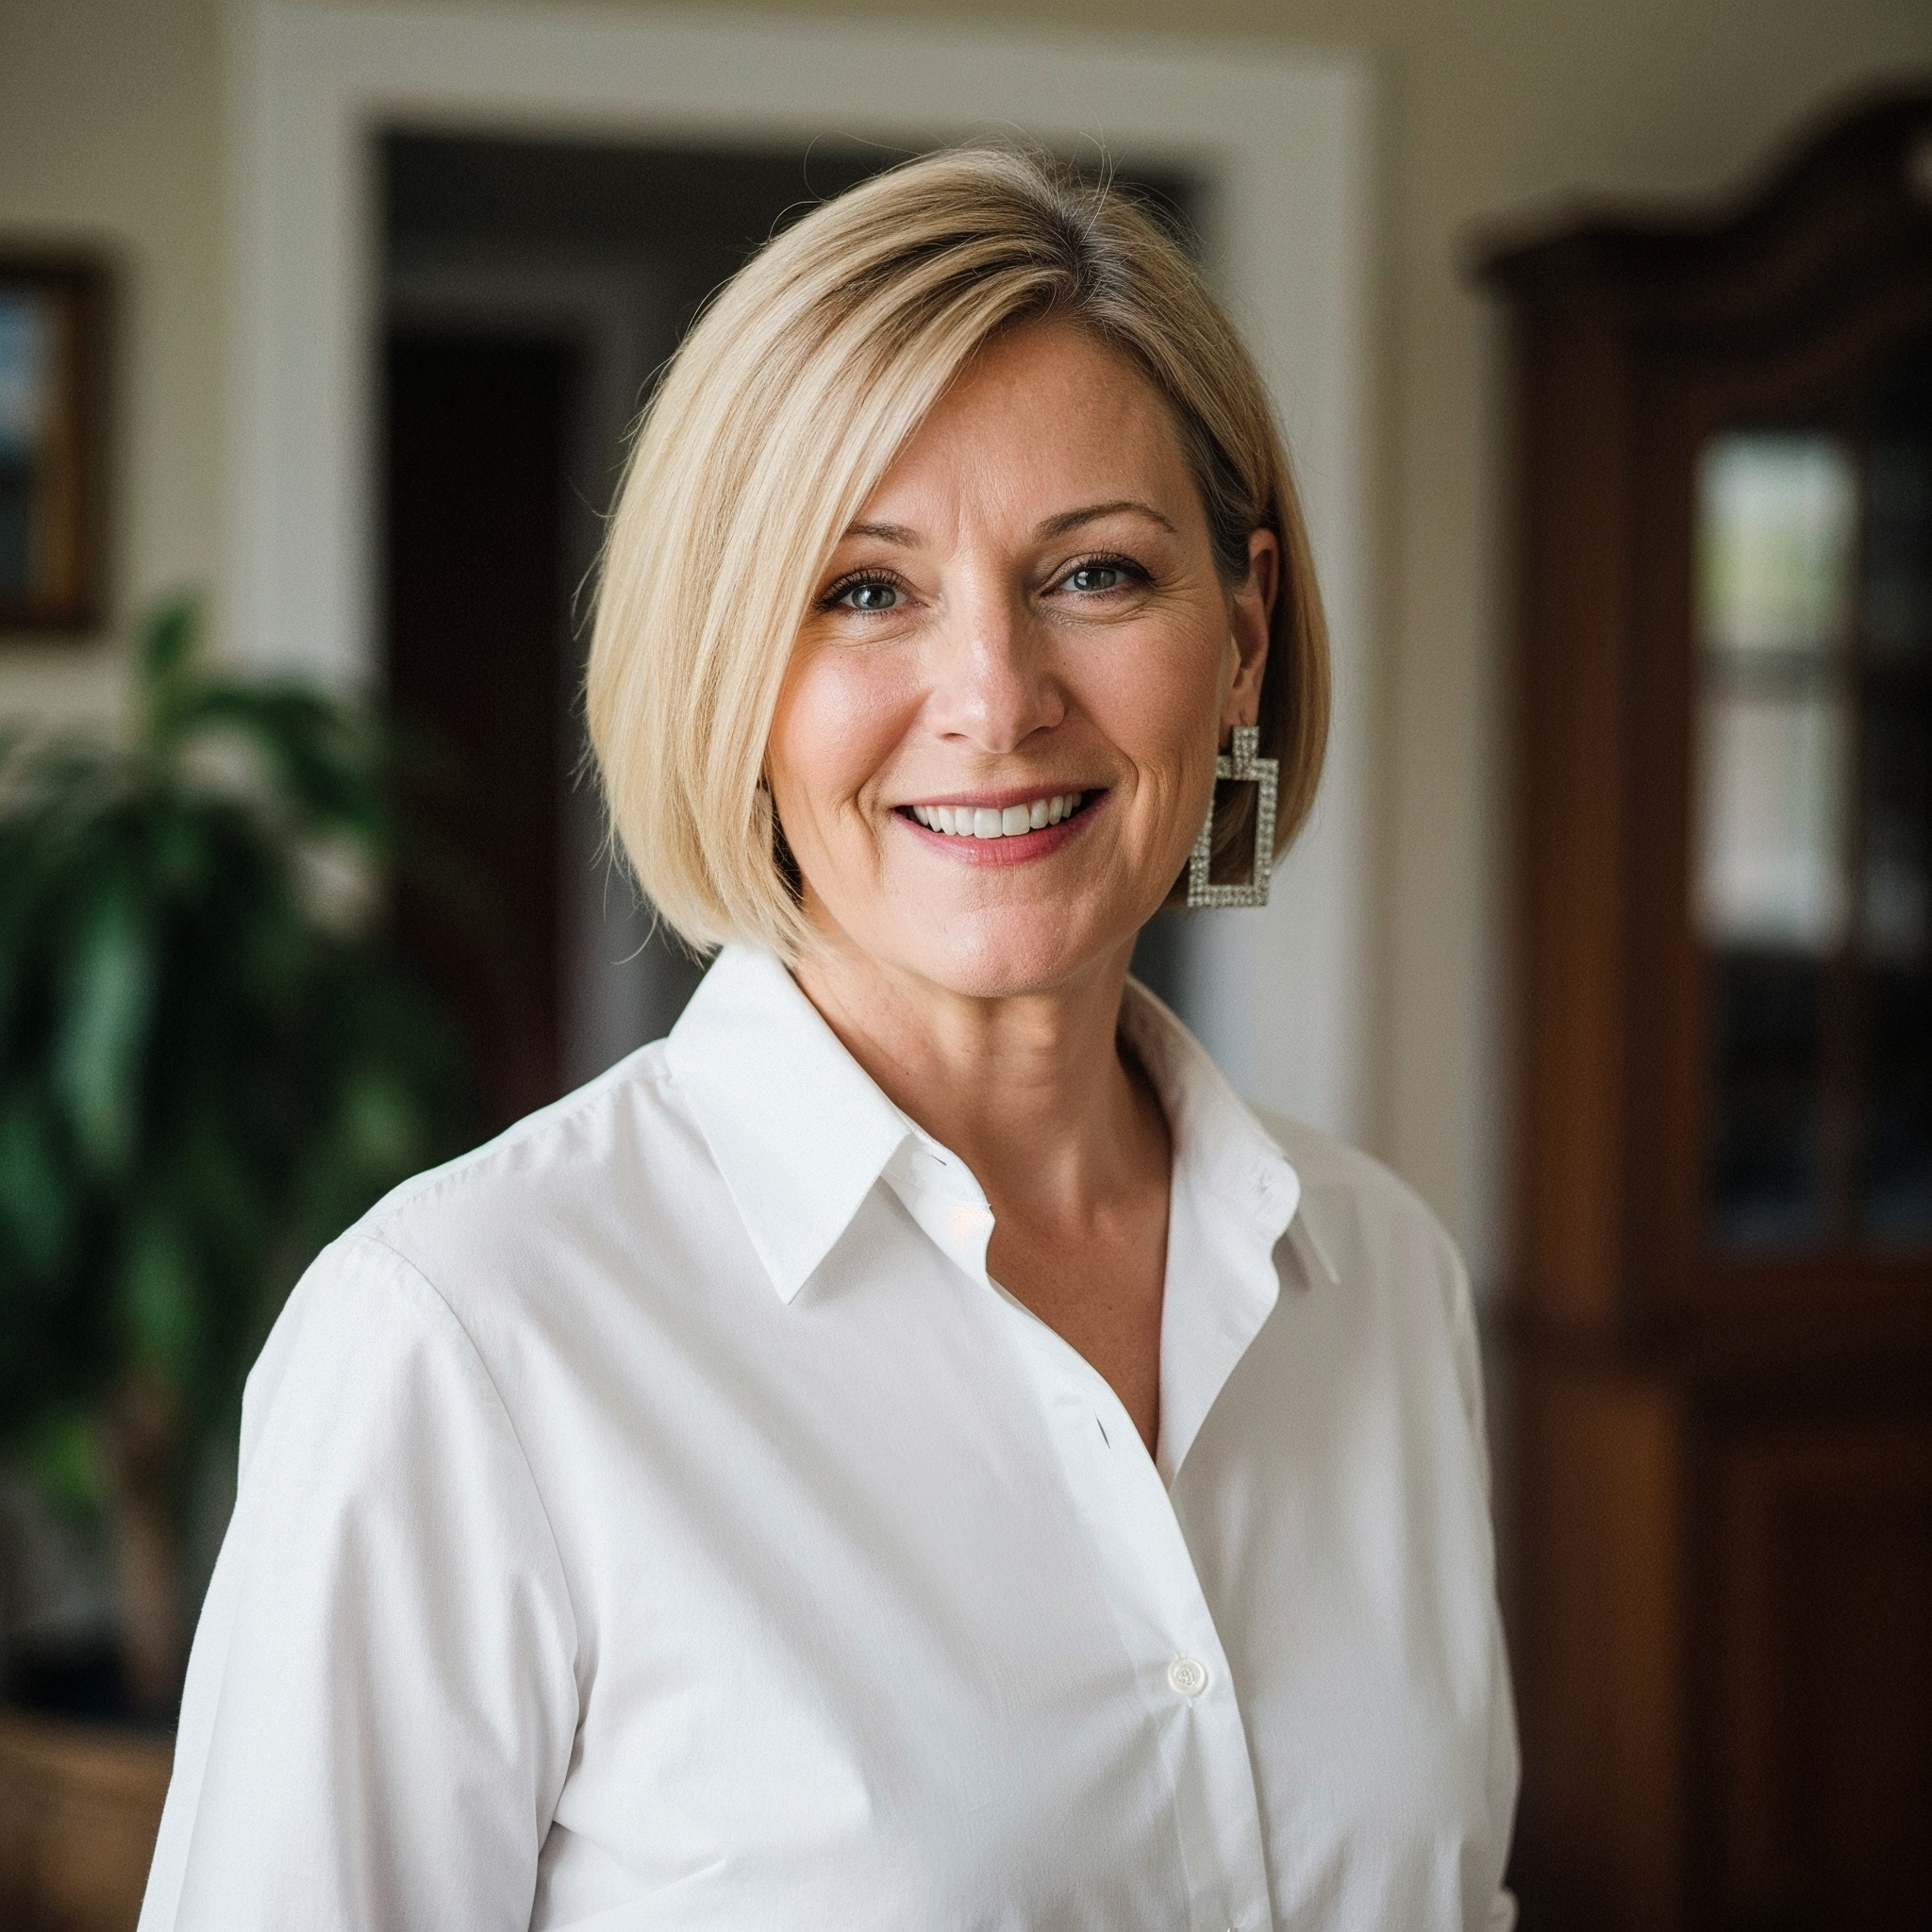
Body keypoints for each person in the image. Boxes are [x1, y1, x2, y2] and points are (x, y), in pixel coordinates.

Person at [141, 147, 1517, 1931]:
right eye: (866, 591)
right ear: (734, 672)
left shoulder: (1384, 1283)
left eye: (1095, 574)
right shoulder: (462, 1346)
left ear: (1240, 635)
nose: (996, 700)